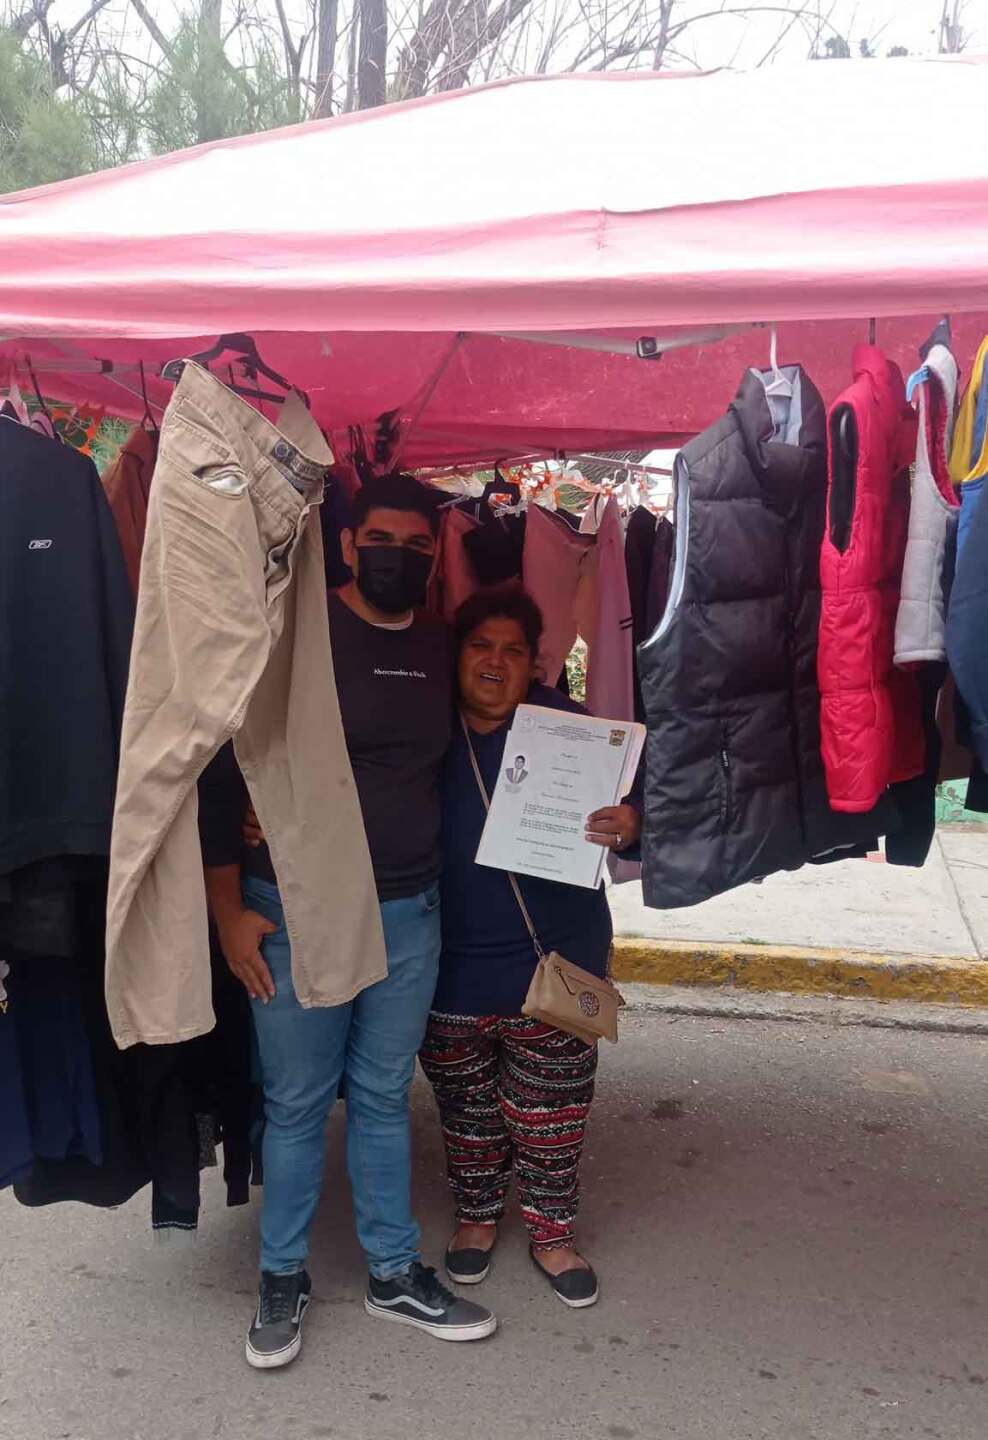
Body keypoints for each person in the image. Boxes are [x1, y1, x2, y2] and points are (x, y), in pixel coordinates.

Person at [201, 472, 496, 1370]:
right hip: (298, 908)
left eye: (415, 547)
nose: (396, 558)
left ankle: (393, 1271)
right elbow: (222, 768)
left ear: (434, 556)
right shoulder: (293, 632)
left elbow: (500, 718)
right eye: (381, 541)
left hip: (410, 910)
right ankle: (280, 1276)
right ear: (346, 542)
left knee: (380, 1096)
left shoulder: (441, 644)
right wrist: (228, 911)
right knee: (296, 1103)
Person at [419, 584, 641, 1309]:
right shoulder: (420, 728)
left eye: (513, 650)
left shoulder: (573, 732)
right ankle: (478, 1216)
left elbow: (646, 802)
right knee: (468, 1112)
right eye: (480, 645)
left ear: (534, 664)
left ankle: (552, 1233)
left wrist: (632, 822)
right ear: (456, 655)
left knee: (553, 1116)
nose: (495, 661)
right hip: (447, 971)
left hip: (556, 963)